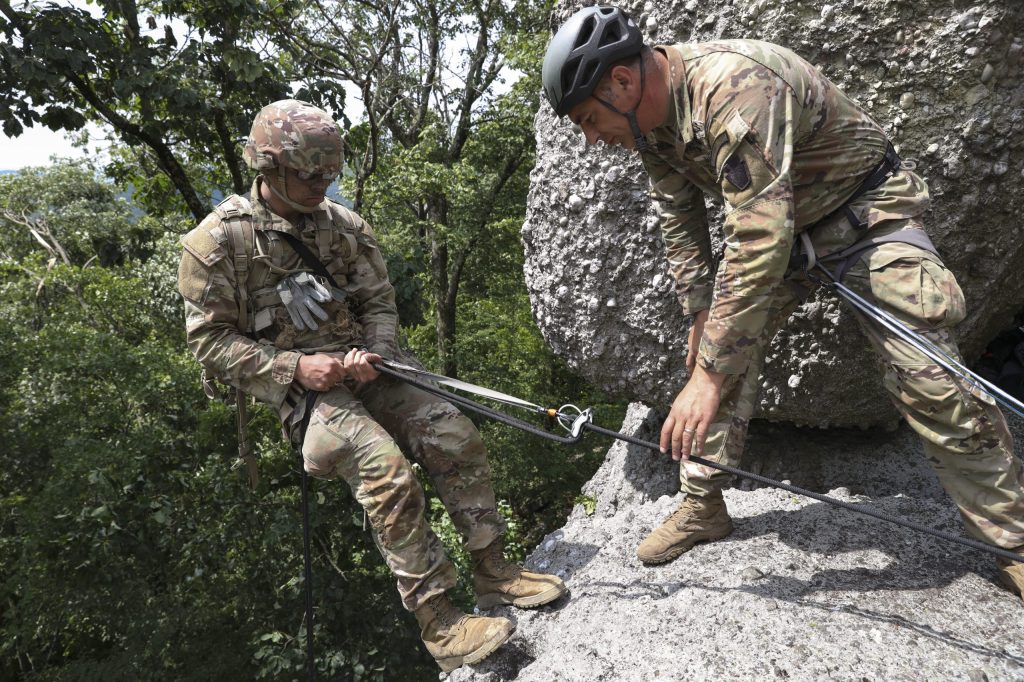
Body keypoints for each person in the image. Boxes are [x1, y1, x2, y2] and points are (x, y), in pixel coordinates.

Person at [541, 6, 1024, 599]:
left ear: (621, 82)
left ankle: (1013, 543)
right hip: (788, 236)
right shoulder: (649, 119)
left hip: (865, 218)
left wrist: (712, 371)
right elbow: (679, 215)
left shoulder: (734, 87)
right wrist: (701, 317)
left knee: (930, 380)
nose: (591, 139)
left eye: (589, 119)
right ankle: (703, 504)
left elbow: (758, 237)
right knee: (716, 348)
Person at [177, 99, 567, 671]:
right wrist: (295, 369)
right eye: (308, 174)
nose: (321, 185)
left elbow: (379, 303)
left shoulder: (345, 228)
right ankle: (440, 623)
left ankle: (494, 572)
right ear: (269, 168)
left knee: (452, 432)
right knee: (384, 469)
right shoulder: (217, 245)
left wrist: (377, 354)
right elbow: (209, 343)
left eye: (328, 174)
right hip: (301, 393)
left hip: (368, 371)